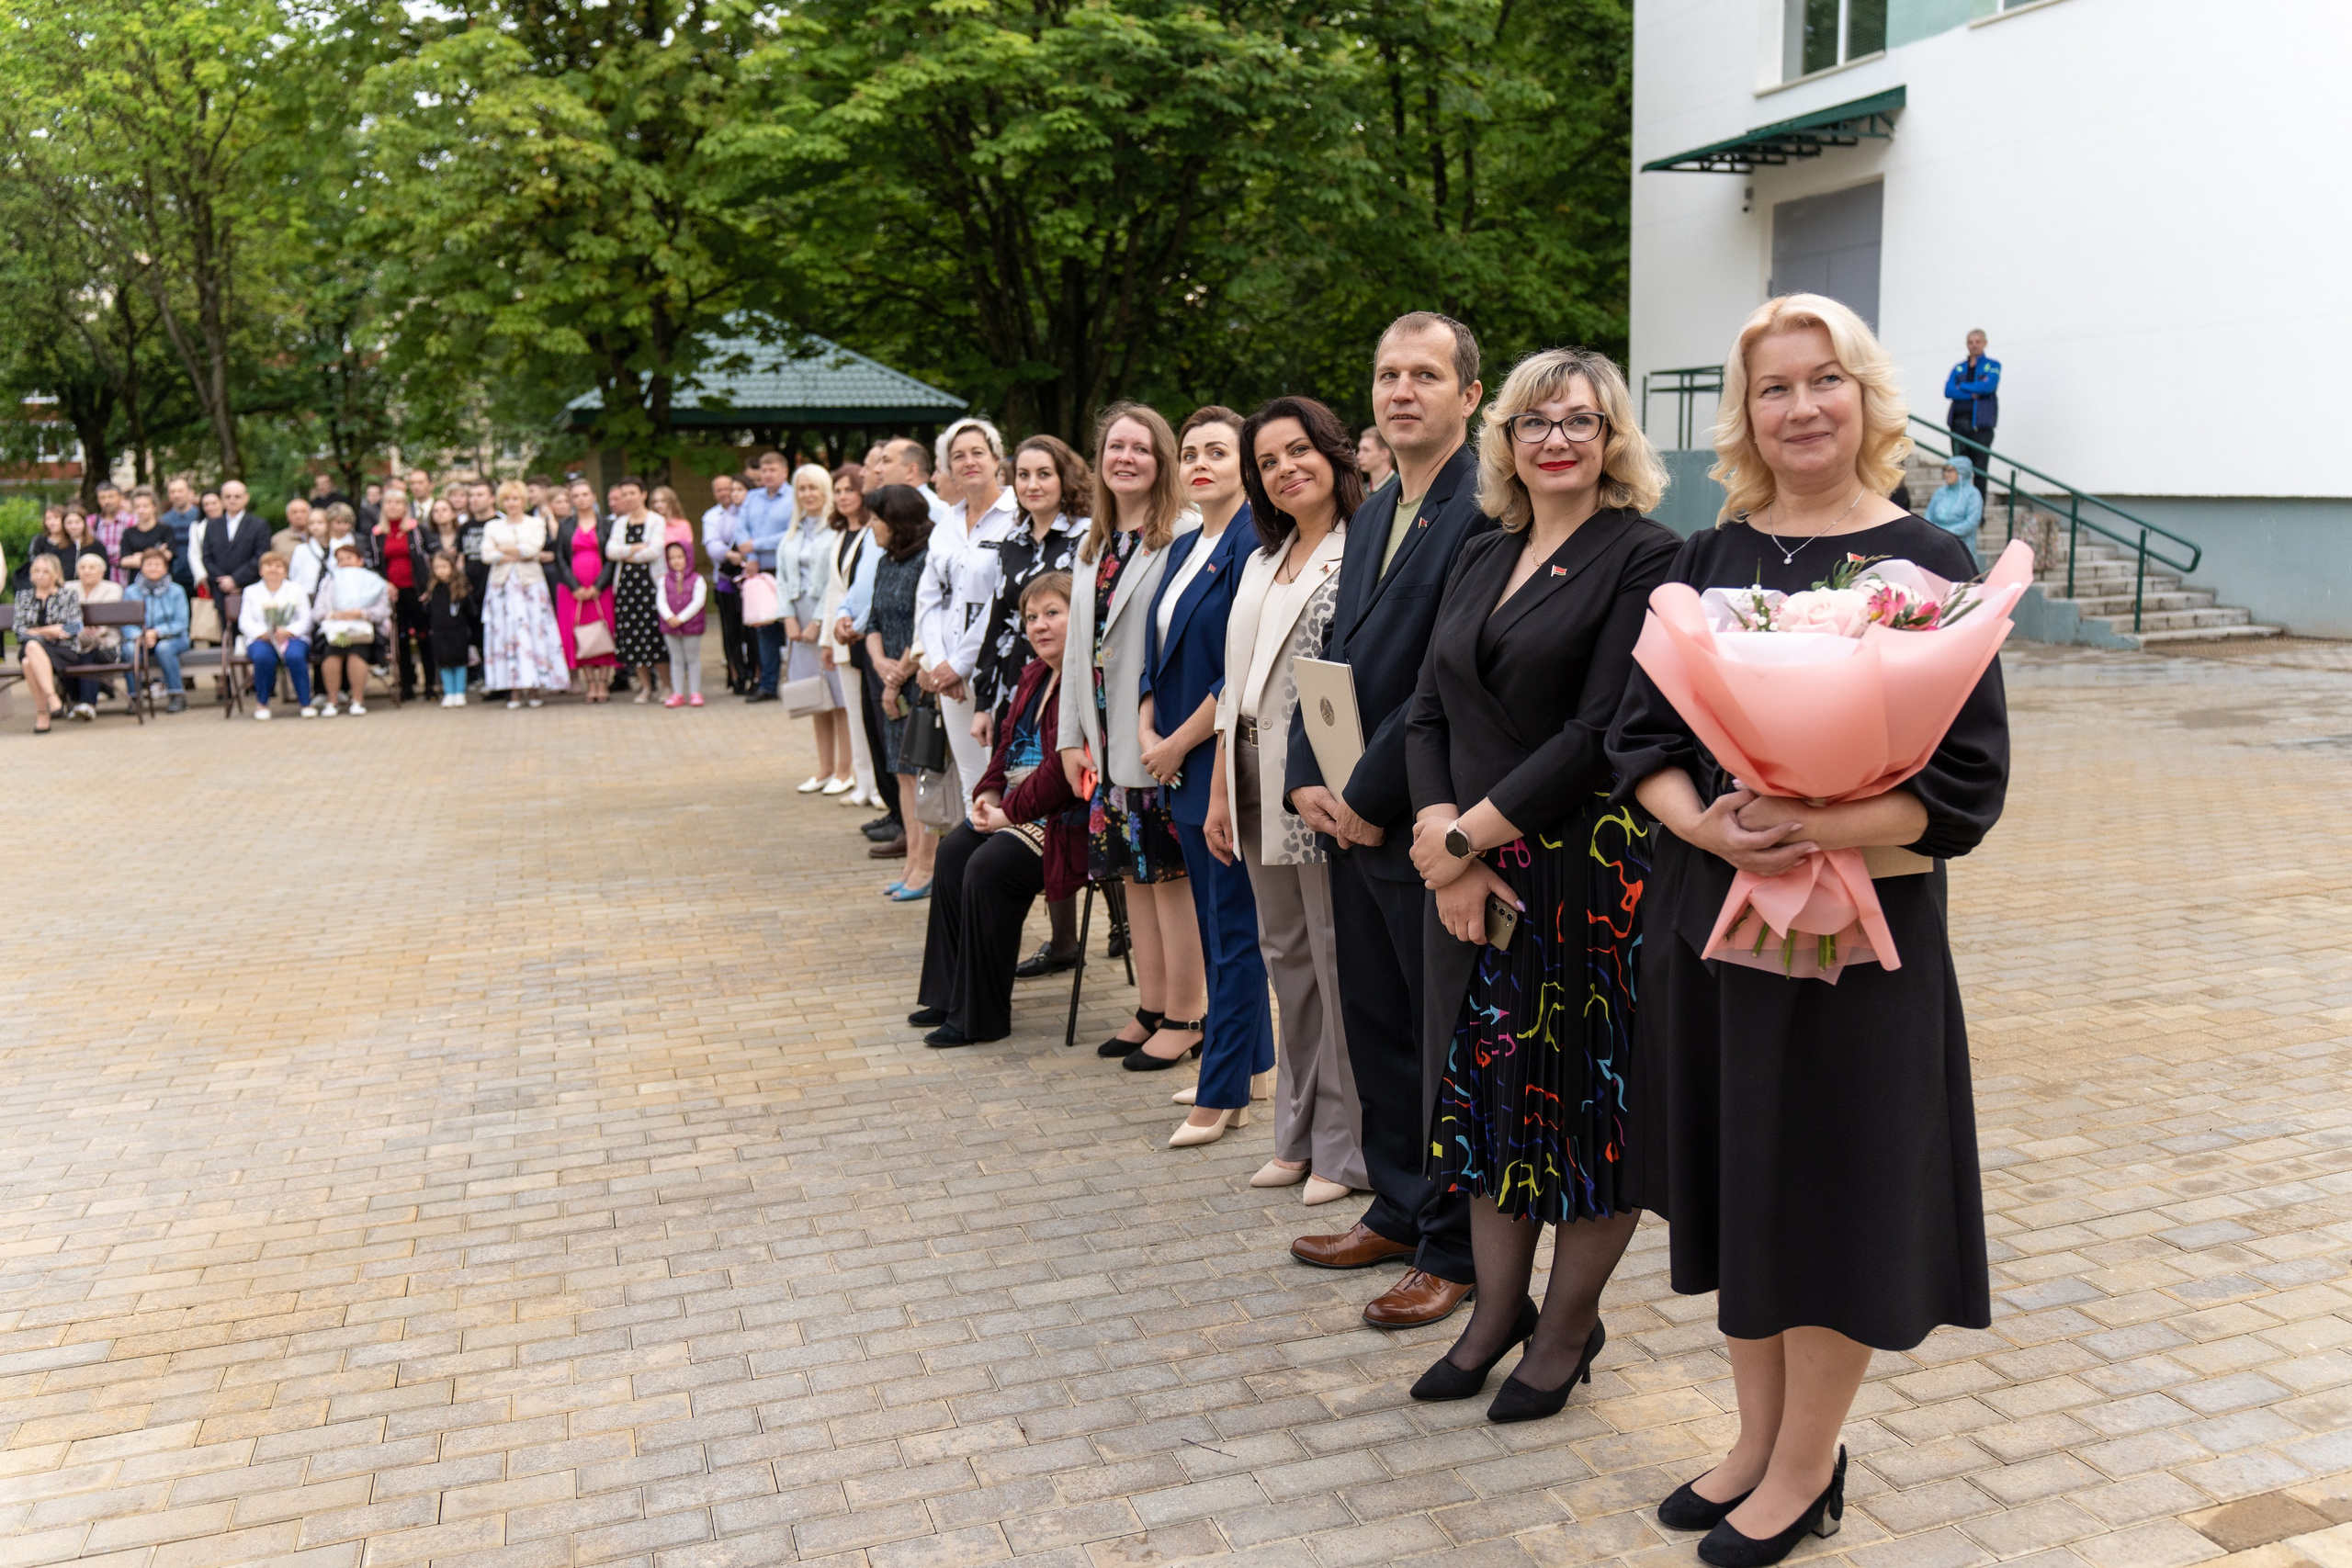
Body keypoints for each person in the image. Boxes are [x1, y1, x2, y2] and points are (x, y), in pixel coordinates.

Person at [1610, 293, 2007, 1564]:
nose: (1801, 407)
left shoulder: (1928, 566)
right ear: (1746, 414)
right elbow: (1639, 741)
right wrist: (1714, 829)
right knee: (1742, 1183)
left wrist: (1825, 825)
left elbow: (1965, 787)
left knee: (1831, 1192)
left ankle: (1805, 1464)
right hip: (1718, 928)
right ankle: (1752, 1437)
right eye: (1773, 387)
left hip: (1855, 949)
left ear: (1868, 396)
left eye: (1823, 380)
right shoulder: (1703, 558)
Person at [1399, 346, 1679, 1422]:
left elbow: (1597, 732)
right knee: (1490, 1105)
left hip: (1582, 879)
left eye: (1581, 422)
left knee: (1587, 1116)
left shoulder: (1648, 555)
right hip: (1471, 861)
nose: (1556, 440)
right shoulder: (1484, 550)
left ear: (1613, 441)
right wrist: (1439, 832)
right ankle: (1492, 1317)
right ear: (1504, 439)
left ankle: (1563, 1335)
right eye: (1534, 422)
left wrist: (1465, 842)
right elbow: (1426, 708)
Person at [1284, 311, 1494, 1328]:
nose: (1400, 391)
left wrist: (1366, 799)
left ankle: (1454, 1246)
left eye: (1424, 374)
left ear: (1469, 395)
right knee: (1378, 1028)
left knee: (1442, 1038)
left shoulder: (1483, 511)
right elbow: (1329, 658)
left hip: (1424, 822)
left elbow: (1434, 681)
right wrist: (1300, 780)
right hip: (1347, 817)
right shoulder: (1371, 513)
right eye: (1385, 375)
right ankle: (1400, 1206)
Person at [1203, 398, 1366, 1195]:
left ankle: (1345, 1143)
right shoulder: (1264, 558)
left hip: (1316, 781)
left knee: (1333, 958)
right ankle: (1296, 1132)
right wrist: (1217, 790)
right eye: (1268, 461)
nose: (1285, 469)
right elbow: (1236, 682)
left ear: (1333, 453)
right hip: (1247, 771)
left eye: (1298, 450)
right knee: (1287, 959)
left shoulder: (1361, 547)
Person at [1056, 403, 1206, 1065]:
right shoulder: (1093, 542)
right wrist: (1068, 737)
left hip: (1155, 741)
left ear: (1162, 460)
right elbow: (1073, 651)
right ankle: (1151, 1004)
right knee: (1133, 879)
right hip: (1104, 741)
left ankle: (1189, 1013)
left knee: (1170, 879)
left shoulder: (1185, 536)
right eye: (1116, 445)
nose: (1126, 458)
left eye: (1141, 448)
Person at [1141, 407, 1276, 1147]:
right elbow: (1155, 651)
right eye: (1190, 451)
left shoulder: (1257, 541)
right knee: (1220, 921)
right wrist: (1144, 730)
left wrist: (1178, 741)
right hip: (1177, 759)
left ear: (1244, 464)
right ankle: (1252, 1063)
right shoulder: (1188, 543)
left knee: (1231, 931)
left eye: (1218, 451)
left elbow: (1241, 668)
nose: (1200, 462)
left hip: (1215, 758)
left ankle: (1223, 1092)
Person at [910, 574, 1087, 1045]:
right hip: (1016, 808)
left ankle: (980, 1018)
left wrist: (1008, 813)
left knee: (989, 867)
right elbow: (1007, 747)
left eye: (1053, 613)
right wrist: (988, 797)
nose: (1039, 626)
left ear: (1081, 615)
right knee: (953, 851)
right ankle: (949, 995)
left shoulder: (1089, 678)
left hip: (1068, 818)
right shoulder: (1033, 674)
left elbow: (1062, 770)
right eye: (1031, 617)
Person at [967, 434, 1091, 976]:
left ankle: (1101, 928)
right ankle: (1062, 939)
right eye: (1023, 475)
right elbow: (998, 622)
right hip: (1025, 680)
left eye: (1044, 473)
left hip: (1073, 677)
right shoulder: (1011, 541)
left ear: (1065, 478)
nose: (1032, 484)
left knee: (1053, 787)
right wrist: (982, 697)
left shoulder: (1087, 537)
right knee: (1019, 780)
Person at [915, 419, 1019, 819]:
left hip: (996, 671)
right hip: (950, 679)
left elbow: (1001, 600)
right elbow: (928, 598)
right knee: (971, 785)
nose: (969, 461)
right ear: (949, 468)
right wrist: (939, 663)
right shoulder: (945, 524)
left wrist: (960, 664)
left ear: (997, 459)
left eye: (978, 452)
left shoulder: (1016, 516)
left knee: (1008, 783)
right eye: (958, 456)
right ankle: (975, 879)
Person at [861, 485, 936, 888]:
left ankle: (928, 865)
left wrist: (897, 675)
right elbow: (872, 619)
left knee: (920, 775)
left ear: (897, 521)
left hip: (916, 680)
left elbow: (924, 626)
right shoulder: (886, 561)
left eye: (876, 519)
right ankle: (911, 862)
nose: (871, 526)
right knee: (902, 775)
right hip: (888, 675)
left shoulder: (927, 559)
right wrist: (878, 662)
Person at [782, 462, 854, 790]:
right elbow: (781, 580)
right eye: (802, 488)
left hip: (825, 620)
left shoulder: (835, 531)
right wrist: (788, 618)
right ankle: (824, 768)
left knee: (838, 697)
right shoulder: (793, 532)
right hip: (796, 623)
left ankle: (845, 769)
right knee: (814, 697)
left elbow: (834, 583)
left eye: (813, 487)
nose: (807, 494)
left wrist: (817, 623)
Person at [820, 464, 881, 807]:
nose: (843, 497)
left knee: (868, 714)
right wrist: (828, 639)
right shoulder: (839, 535)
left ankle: (876, 787)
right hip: (842, 635)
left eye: (849, 490)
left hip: (865, 634)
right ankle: (862, 782)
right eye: (838, 491)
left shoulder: (872, 533)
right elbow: (834, 591)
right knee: (854, 713)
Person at [481, 479, 569, 708]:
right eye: (508, 499)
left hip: (530, 586)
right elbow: (487, 555)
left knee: (532, 634)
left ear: (523, 500)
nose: (512, 503)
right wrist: (517, 552)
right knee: (508, 636)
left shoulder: (536, 523)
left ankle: (534, 688)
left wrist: (503, 549)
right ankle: (514, 691)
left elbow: (532, 550)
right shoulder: (493, 526)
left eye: (516, 498)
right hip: (502, 587)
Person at [603, 476, 669, 703]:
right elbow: (611, 551)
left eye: (633, 493)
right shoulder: (620, 523)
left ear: (643, 494)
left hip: (650, 586)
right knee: (634, 638)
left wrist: (629, 554)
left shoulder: (656, 520)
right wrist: (636, 548)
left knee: (655, 637)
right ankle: (645, 687)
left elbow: (656, 551)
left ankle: (666, 685)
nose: (628, 498)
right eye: (624, 494)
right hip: (627, 588)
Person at [14, 554, 96, 731]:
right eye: (36, 571)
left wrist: (35, 632)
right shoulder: (23, 597)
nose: (40, 575)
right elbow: (18, 630)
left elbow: (75, 627)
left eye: (45, 571)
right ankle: (52, 697)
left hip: (63, 650)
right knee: (31, 647)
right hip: (33, 647)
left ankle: (43, 714)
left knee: (29, 661)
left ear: (56, 574)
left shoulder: (68, 595)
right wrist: (49, 631)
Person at [740, 451, 796, 702]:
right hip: (758, 571)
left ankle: (797, 681)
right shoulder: (752, 498)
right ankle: (768, 684)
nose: (768, 475)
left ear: (785, 472)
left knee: (792, 625)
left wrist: (756, 545)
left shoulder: (794, 497)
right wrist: (751, 555)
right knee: (764, 628)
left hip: (785, 571)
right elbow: (741, 528)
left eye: (773, 470)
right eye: (764, 470)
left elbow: (791, 532)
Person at [311, 539, 391, 716]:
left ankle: (357, 701)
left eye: (349, 558)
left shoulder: (374, 581)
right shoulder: (329, 582)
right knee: (334, 651)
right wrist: (333, 615)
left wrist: (361, 613)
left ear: (360, 560)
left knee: (356, 650)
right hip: (335, 631)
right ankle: (332, 701)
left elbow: (383, 610)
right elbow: (318, 611)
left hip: (362, 631)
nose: (345, 562)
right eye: (340, 559)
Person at [552, 491, 617, 702]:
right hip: (574, 591)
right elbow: (560, 557)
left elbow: (612, 558)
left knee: (605, 630)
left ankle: (604, 683)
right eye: (576, 496)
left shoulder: (607, 524)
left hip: (601, 587)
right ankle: (590, 683)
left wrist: (599, 585)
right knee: (580, 633)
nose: (581, 499)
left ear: (593, 497)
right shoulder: (566, 525)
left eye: (585, 494)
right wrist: (575, 586)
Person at [238, 552, 316, 720]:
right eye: (268, 565)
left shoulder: (297, 589)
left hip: (292, 637)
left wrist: (288, 632)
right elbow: (245, 621)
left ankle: (305, 702)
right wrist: (263, 633)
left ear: (285, 572)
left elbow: (306, 619)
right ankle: (262, 703)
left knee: (295, 656)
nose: (273, 569)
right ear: (260, 571)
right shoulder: (251, 591)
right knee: (262, 657)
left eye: (278, 566)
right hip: (261, 639)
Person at [372, 491, 429, 701]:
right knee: (400, 638)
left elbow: (426, 558)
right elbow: (376, 565)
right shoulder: (378, 534)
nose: (393, 506)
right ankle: (406, 685)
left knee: (423, 636)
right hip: (392, 593)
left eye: (398, 502)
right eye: (389, 503)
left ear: (405, 506)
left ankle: (430, 684)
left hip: (415, 590)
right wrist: (386, 584)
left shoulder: (416, 530)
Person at [702, 473, 753, 693]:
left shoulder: (748, 511)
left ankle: (754, 673)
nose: (726, 494)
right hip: (725, 580)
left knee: (750, 630)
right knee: (729, 631)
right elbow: (712, 546)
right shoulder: (712, 516)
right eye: (721, 490)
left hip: (750, 579)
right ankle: (736, 676)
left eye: (729, 489)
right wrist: (730, 554)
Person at [126, 548, 192, 713]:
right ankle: (135, 698)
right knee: (128, 649)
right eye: (149, 564)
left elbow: (181, 623)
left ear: (165, 568)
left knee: (164, 648)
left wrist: (157, 632)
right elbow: (126, 624)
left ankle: (177, 695)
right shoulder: (130, 591)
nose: (153, 568)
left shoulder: (176, 590)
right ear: (141, 567)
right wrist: (139, 636)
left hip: (174, 638)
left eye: (157, 564)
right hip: (142, 638)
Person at [1943, 328, 1999, 498]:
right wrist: (1974, 392)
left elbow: (1988, 387)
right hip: (1958, 425)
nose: (1974, 345)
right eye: (1970, 342)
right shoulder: (1959, 368)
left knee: (1980, 471)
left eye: (1978, 341)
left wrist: (1964, 386)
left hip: (1980, 428)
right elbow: (1948, 391)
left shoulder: (1993, 366)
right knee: (1959, 469)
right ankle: (1958, 504)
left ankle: (1978, 512)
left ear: (1985, 343)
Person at [656, 541, 708, 707]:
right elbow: (661, 601)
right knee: (676, 659)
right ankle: (677, 693)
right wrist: (669, 617)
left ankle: (695, 692)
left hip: (691, 626)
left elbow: (698, 602)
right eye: (672, 558)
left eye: (679, 557)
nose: (676, 561)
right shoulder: (663, 580)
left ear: (688, 557)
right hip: (670, 626)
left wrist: (682, 618)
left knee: (692, 659)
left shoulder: (697, 580)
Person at [73, 551, 125, 712]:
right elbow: (64, 620)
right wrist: (79, 629)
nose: (86, 571)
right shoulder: (68, 588)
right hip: (74, 642)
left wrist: (89, 630)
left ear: (102, 572)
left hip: (106, 646)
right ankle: (80, 702)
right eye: (82, 567)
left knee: (89, 654)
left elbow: (105, 623)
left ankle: (87, 704)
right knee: (63, 656)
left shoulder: (113, 589)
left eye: (91, 568)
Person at [425, 551, 474, 706]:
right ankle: (449, 692)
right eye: (437, 567)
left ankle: (460, 692)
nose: (440, 571)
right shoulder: (433, 589)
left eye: (444, 566)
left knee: (459, 662)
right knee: (444, 663)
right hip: (440, 632)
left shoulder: (461, 587)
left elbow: (471, 610)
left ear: (452, 567)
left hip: (458, 631)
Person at [1925, 456, 1984, 564]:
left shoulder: (1973, 494)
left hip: (1961, 545)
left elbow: (1972, 521)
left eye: (1950, 470)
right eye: (1945, 470)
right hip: (1938, 544)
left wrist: (1948, 532)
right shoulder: (1940, 492)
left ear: (1962, 472)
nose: (1946, 474)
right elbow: (1929, 515)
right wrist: (1932, 532)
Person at [118, 488, 173, 575]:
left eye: (145, 506)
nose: (141, 510)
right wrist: (157, 553)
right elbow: (124, 561)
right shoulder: (128, 533)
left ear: (154, 507)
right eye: (137, 507)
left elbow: (168, 555)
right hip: (136, 583)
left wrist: (138, 557)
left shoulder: (165, 530)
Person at [160, 477, 200, 596]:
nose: (177, 495)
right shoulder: (163, 521)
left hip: (199, 576)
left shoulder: (201, 517)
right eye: (173, 492)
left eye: (180, 491)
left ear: (190, 492)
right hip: (174, 578)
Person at [1357, 425, 1395, 491]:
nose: (1359, 456)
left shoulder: (1401, 488)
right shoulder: (1361, 491)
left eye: (1366, 450)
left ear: (1384, 454)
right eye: (1360, 450)